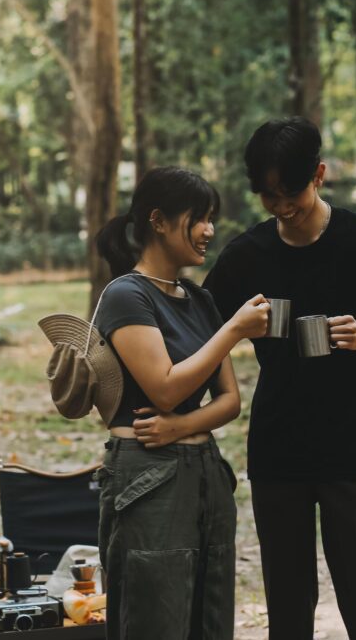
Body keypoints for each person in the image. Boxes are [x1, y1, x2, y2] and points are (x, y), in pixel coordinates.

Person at [203, 117, 356, 640]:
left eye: (291, 193)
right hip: (280, 449)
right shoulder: (246, 255)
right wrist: (236, 336)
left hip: (353, 444)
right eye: (268, 196)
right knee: (287, 602)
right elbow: (202, 331)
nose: (281, 207)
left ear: (319, 175)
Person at [93, 166, 270, 640]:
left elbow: (230, 401)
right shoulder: (126, 296)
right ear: (158, 220)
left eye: (212, 218)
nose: (209, 230)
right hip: (150, 477)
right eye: (199, 217)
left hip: (205, 472)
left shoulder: (198, 298)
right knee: (156, 618)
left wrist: (179, 426)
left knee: (209, 619)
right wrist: (233, 329)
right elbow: (165, 388)